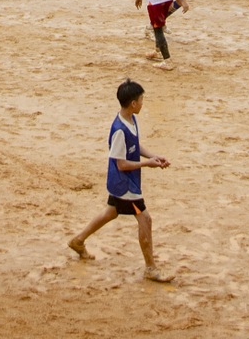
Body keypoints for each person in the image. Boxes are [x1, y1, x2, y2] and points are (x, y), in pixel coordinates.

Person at [67, 79, 173, 281]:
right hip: (125, 185)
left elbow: (135, 146)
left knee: (111, 212)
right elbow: (121, 164)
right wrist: (147, 164)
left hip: (126, 181)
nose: (143, 103)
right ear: (133, 103)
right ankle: (150, 268)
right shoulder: (118, 130)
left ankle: (78, 241)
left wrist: (154, 156)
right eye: (141, 100)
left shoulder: (131, 120)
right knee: (145, 219)